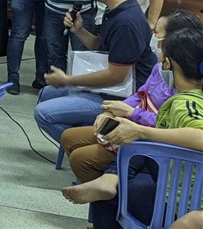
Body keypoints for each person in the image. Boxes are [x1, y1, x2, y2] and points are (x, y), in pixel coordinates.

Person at [62, 27, 203, 229]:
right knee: (125, 182)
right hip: (178, 187)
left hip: (182, 202)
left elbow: (200, 136)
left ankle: (110, 181)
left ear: (169, 64)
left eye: (163, 58)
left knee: (108, 199)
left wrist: (141, 131)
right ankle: (111, 179)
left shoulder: (185, 104)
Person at [34, 0, 157, 143]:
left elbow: (116, 76)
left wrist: (69, 80)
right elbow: (104, 48)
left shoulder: (127, 22)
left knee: (43, 113)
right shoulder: (115, 8)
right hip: (110, 87)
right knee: (46, 93)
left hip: (121, 96)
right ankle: (87, 138)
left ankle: (94, 146)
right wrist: (80, 31)